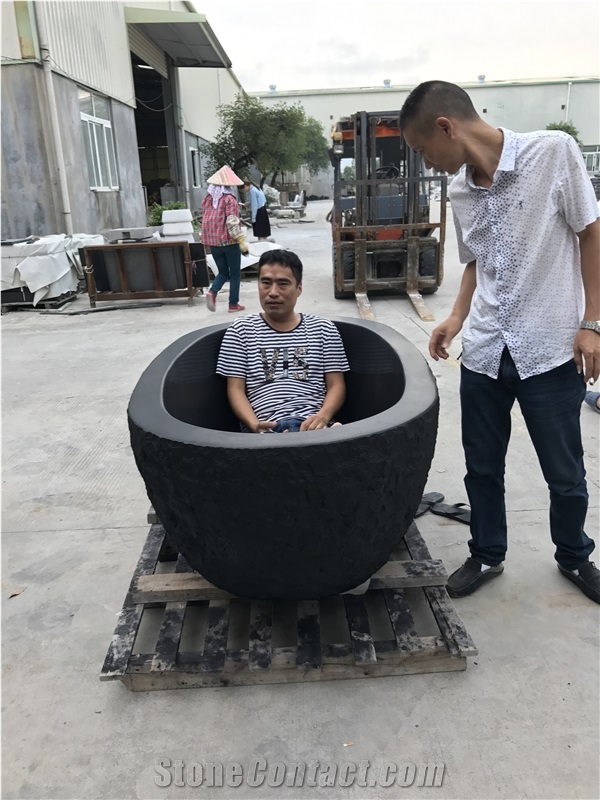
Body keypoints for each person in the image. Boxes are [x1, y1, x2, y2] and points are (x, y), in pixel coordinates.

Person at [399, 80, 600, 604]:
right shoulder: (462, 189)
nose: (429, 163)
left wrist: (593, 321)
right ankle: (488, 552)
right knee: (482, 466)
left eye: (424, 150)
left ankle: (574, 556)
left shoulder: (553, 153)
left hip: (550, 349)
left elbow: (591, 233)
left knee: (565, 472)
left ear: (447, 126)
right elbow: (475, 261)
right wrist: (456, 316)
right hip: (486, 351)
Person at [216, 249, 349, 433]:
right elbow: (235, 390)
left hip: (313, 425)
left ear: (299, 288)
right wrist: (254, 424)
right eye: (265, 283)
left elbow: (337, 385)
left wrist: (322, 417)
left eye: (283, 284)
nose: (273, 292)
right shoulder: (241, 330)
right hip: (266, 428)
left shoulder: (323, 329)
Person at [201, 165, 248, 313]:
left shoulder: (208, 200)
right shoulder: (229, 199)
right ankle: (233, 304)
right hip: (229, 242)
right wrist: (241, 241)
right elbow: (232, 222)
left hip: (213, 243)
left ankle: (212, 292)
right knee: (234, 273)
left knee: (222, 272)